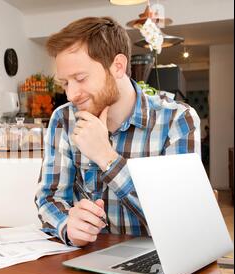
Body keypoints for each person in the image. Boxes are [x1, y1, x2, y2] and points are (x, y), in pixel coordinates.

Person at [35, 16, 201, 247]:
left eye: (80, 78)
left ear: (118, 67)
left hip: (159, 256)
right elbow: (49, 198)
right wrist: (67, 225)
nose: (72, 95)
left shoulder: (176, 119)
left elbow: (178, 220)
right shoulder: (64, 119)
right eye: (65, 83)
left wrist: (106, 157)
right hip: (87, 259)